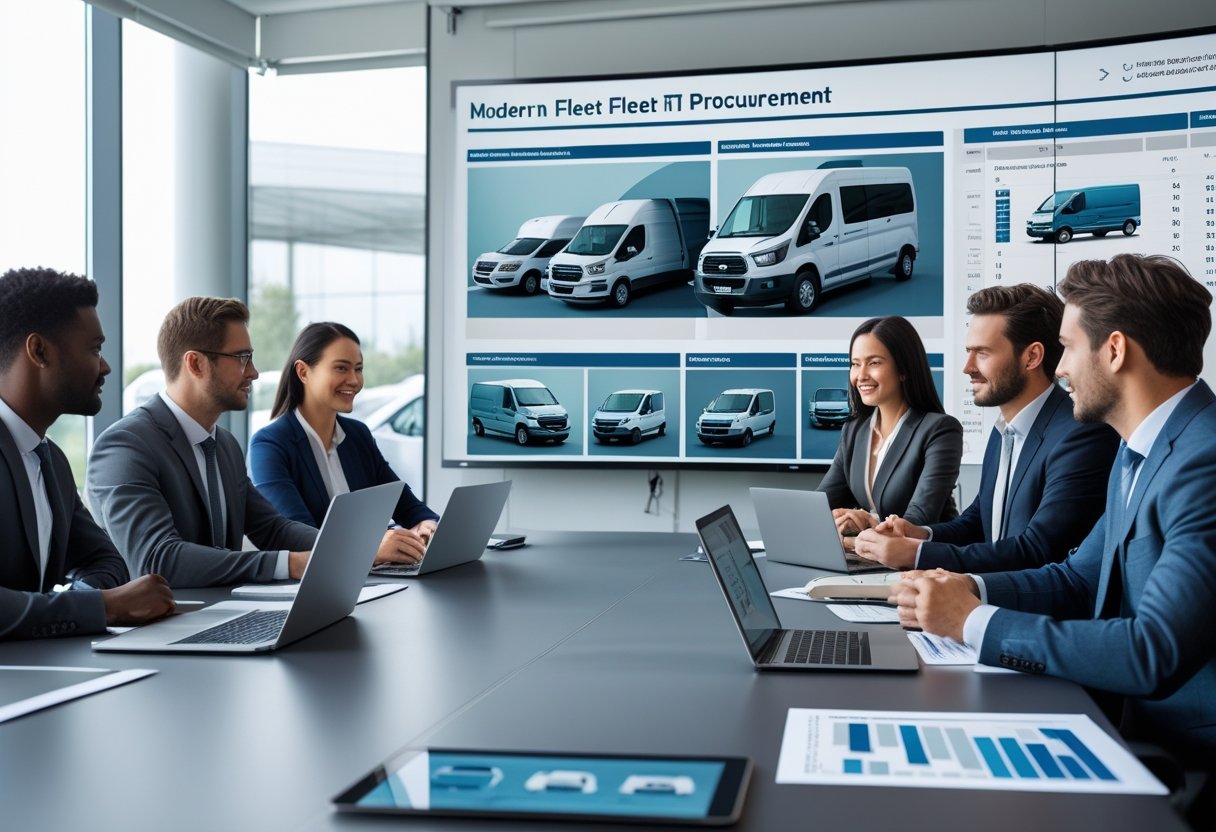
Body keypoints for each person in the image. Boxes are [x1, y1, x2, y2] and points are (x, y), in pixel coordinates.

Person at [892, 254, 1216, 767]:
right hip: (1128, 726)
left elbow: (1153, 650)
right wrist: (969, 590)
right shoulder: (1141, 450)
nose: (1059, 368)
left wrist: (973, 622)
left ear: (1114, 350)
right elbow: (1078, 579)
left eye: (1066, 348)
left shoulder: (1204, 460)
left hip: (1185, 758)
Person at [854, 284, 1118, 571]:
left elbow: (1039, 549)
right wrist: (920, 535)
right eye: (969, 351)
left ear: (1032, 357)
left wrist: (916, 556)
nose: (967, 367)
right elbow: (979, 521)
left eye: (982, 353)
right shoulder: (1003, 429)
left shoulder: (1081, 434)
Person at [86, 297, 318, 588]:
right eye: (242, 358)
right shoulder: (125, 447)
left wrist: (352, 548)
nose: (253, 372)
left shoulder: (224, 446)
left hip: (226, 616)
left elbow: (272, 529)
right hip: (161, 628)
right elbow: (158, 560)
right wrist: (289, 564)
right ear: (195, 364)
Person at [0, 267, 174, 638]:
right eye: (95, 349)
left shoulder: (51, 461)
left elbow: (105, 559)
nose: (106, 365)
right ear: (39, 351)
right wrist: (101, 606)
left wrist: (82, 603)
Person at [249, 322, 438, 566]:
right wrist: (370, 549)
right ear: (303, 372)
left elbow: (408, 506)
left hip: (374, 582)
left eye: (358, 369)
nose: (354, 380)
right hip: (315, 589)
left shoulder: (357, 435)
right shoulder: (269, 445)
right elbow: (294, 537)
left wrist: (426, 526)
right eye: (341, 368)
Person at [818, 316, 962, 539]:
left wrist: (867, 523)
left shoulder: (940, 430)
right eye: (855, 364)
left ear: (904, 369)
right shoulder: (854, 430)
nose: (861, 375)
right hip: (871, 559)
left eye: (874, 363)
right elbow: (821, 504)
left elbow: (919, 519)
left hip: (927, 564)